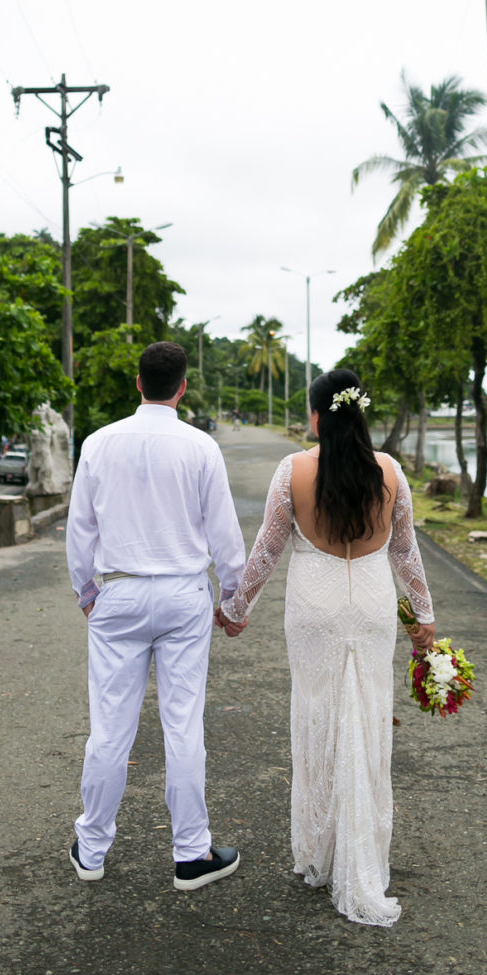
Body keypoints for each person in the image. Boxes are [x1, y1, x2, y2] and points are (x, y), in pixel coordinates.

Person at [218, 367, 435, 928]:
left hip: (313, 608)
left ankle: (321, 850)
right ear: (359, 413)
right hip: (372, 607)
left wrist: (236, 609)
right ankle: (365, 852)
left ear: (316, 416)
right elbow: (406, 552)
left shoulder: (293, 470)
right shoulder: (390, 471)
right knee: (367, 718)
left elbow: (267, 550)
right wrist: (424, 619)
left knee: (317, 717)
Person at [65, 340, 248, 892]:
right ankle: (191, 853)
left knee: (110, 727)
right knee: (183, 724)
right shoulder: (201, 447)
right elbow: (225, 534)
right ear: (182, 388)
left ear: (139, 383)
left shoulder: (98, 443)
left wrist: (86, 592)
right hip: (183, 595)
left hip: (118, 592)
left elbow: (80, 529)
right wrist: (232, 600)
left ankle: (91, 849)